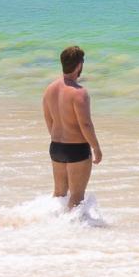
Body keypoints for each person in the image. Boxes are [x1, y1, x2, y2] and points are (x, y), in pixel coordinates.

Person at [42, 46, 102, 210]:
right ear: (79, 65)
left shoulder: (49, 89)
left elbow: (49, 120)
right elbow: (85, 124)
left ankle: (51, 224)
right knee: (76, 197)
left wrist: (58, 140)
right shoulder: (79, 93)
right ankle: (74, 231)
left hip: (56, 147)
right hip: (76, 149)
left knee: (59, 194)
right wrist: (96, 148)